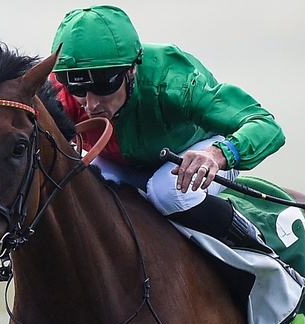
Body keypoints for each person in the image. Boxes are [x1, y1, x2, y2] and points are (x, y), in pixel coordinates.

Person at [50, 4, 284, 252]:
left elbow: (266, 125)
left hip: (198, 153)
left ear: (132, 69)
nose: (91, 103)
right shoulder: (58, 94)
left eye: (104, 87)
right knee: (81, 188)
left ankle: (262, 255)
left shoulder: (174, 82)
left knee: (168, 191)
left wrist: (218, 154)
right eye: (77, 89)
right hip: (123, 166)